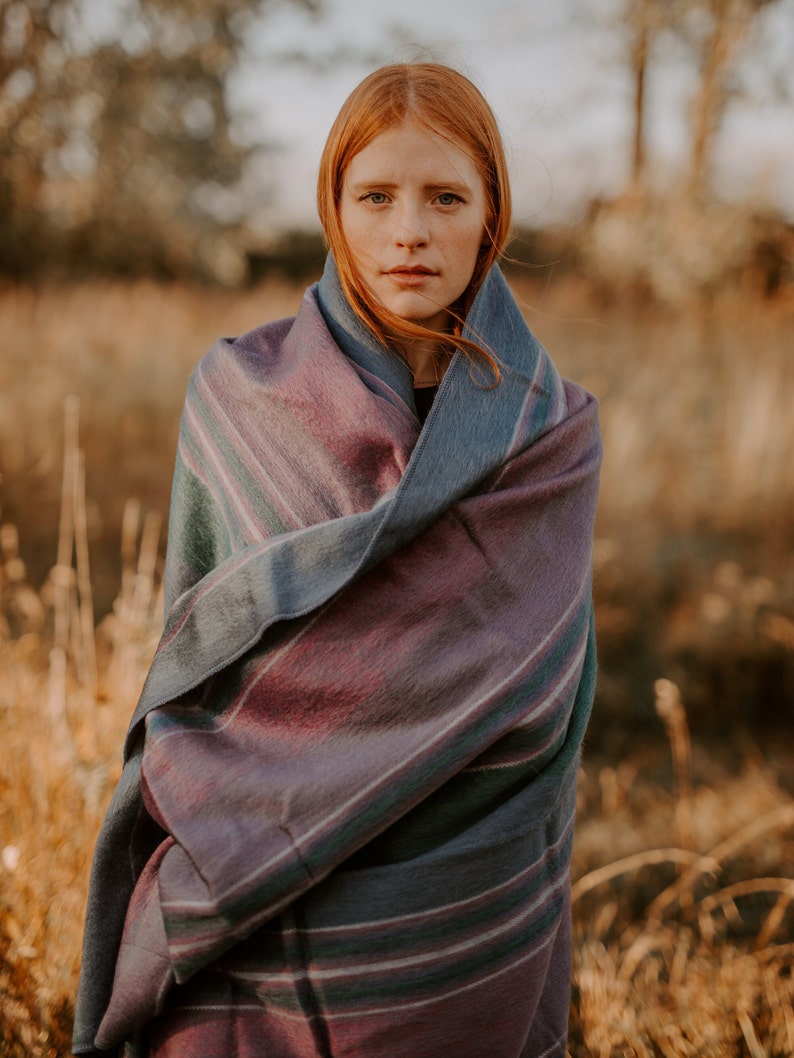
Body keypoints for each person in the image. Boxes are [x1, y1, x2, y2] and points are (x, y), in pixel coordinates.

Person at [73, 62, 601, 1058]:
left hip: (462, 892)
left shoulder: (551, 433)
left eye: (446, 197)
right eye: (376, 197)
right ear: (335, 208)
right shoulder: (239, 397)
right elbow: (196, 661)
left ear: (490, 215)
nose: (410, 232)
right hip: (248, 880)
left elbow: (543, 697)